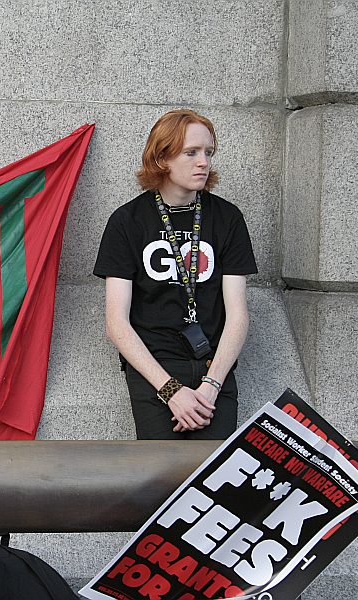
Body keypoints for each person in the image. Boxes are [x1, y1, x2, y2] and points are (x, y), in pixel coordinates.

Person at [94, 109, 257, 440]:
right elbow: (116, 324)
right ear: (162, 157)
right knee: (161, 484)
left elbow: (238, 315)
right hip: (155, 373)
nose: (203, 162)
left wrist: (211, 387)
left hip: (215, 371)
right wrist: (171, 391)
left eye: (209, 152)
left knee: (216, 483)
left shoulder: (227, 218)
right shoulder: (128, 222)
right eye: (191, 152)